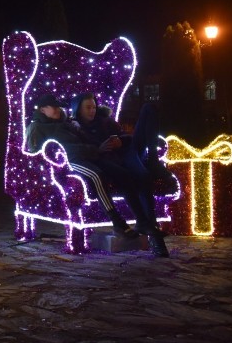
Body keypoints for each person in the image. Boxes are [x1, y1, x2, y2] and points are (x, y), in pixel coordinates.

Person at [25, 94, 170, 257]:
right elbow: (41, 152)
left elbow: (91, 139)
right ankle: (119, 221)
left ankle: (145, 221)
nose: (58, 109)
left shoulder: (69, 124)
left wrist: (116, 142)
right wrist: (95, 149)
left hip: (106, 155)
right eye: (54, 107)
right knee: (99, 174)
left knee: (133, 174)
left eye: (94, 107)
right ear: (43, 109)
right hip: (72, 162)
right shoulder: (38, 127)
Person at [69, 93, 171, 241]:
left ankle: (154, 159)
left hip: (128, 152)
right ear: (78, 109)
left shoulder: (105, 120)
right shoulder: (75, 128)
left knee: (149, 109)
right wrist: (100, 148)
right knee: (142, 176)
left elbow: (126, 136)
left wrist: (120, 141)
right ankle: (147, 223)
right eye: (88, 107)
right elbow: (83, 149)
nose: (92, 110)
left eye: (94, 107)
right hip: (112, 161)